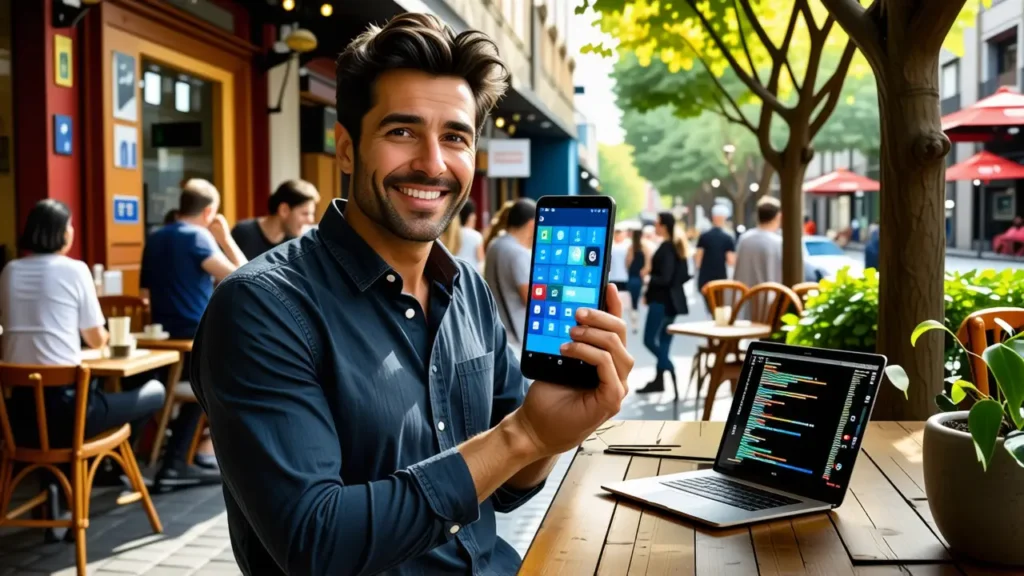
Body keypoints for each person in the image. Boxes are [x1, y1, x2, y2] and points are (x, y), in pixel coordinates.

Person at [189, 14, 633, 575]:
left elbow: (505, 490)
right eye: (402, 131)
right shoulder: (261, 306)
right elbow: (314, 543)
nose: (433, 162)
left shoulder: (466, 288)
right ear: (346, 149)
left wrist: (551, 435)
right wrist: (524, 435)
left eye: (455, 136)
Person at [0, 200, 166, 537]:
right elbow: (96, 338)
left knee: (62, 416)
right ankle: (105, 465)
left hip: (18, 418)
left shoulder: (10, 271)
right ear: (60, 232)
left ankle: (60, 492)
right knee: (155, 391)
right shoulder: (74, 270)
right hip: (70, 414)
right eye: (70, 225)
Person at [141, 178, 243, 488]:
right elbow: (245, 277)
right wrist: (225, 239)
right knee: (212, 384)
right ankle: (176, 463)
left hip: (158, 339)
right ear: (209, 211)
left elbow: (144, 293)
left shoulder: (156, 237)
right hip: (195, 335)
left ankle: (182, 456)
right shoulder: (199, 237)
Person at [638, 212, 691, 396]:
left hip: (661, 301)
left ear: (664, 226)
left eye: (657, 223)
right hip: (670, 302)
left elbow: (665, 277)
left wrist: (648, 276)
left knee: (649, 339)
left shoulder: (668, 248)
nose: (655, 226)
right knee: (664, 342)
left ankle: (669, 367)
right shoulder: (674, 246)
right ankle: (659, 380)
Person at [483, 198, 536, 356]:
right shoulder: (518, 253)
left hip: (495, 333)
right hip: (516, 340)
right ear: (532, 224)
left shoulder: (495, 244)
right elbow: (532, 300)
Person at [231, 179, 320, 260]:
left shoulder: (296, 242)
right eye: (305, 214)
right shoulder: (243, 233)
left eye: (312, 214)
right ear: (284, 210)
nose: (311, 220)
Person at [734, 197, 783, 290]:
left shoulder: (744, 239)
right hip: (773, 299)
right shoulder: (778, 242)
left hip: (743, 299)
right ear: (778, 216)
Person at [694, 204, 736, 302]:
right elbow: (731, 261)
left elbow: (698, 260)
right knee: (719, 306)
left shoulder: (704, 236)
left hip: (705, 278)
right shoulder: (728, 237)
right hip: (720, 277)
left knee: (710, 305)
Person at [623, 227, 650, 333]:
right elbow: (648, 265)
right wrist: (643, 272)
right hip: (639, 278)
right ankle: (635, 323)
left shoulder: (631, 248)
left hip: (631, 277)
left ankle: (634, 323)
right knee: (636, 301)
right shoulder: (645, 248)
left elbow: (627, 263)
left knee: (632, 302)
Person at [455, 199, 485, 268]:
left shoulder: (452, 234)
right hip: (471, 273)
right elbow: (481, 260)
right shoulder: (476, 236)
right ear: (470, 216)